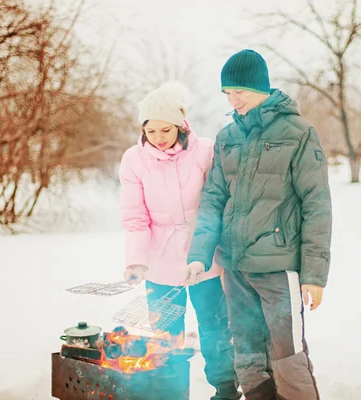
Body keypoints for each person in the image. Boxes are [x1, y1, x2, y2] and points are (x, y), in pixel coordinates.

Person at [185, 50, 333, 400]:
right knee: (248, 349)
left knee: (288, 353)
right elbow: (213, 200)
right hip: (234, 266)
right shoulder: (227, 138)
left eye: (240, 91)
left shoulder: (298, 133)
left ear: (261, 88)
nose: (233, 100)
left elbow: (317, 205)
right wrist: (200, 255)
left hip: (278, 267)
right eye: (227, 93)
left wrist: (314, 275)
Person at [119, 81, 241, 400]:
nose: (158, 139)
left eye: (166, 130)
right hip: (159, 259)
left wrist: (214, 249)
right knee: (165, 334)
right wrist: (136, 259)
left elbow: (219, 202)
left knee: (214, 327)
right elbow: (135, 217)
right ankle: (169, 392)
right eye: (151, 131)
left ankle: (225, 389)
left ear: (181, 124)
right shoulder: (134, 160)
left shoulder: (206, 150)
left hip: (204, 252)